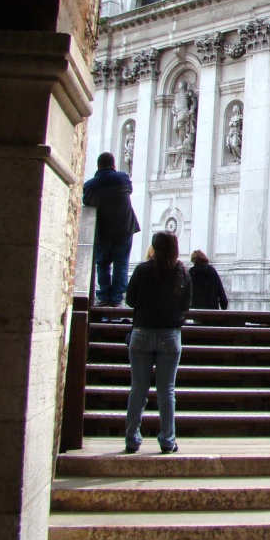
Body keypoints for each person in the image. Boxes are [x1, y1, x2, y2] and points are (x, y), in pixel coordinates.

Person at [124, 231, 192, 453]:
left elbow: (130, 300)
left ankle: (132, 438)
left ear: (154, 246)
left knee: (138, 390)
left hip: (142, 332)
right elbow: (185, 306)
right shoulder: (181, 272)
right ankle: (167, 439)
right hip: (170, 335)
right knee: (167, 391)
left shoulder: (142, 269)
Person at [82, 151, 140, 307]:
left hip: (103, 231)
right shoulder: (123, 178)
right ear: (113, 165)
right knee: (121, 263)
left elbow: (86, 202)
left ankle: (104, 295)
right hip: (124, 229)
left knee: (102, 264)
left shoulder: (89, 186)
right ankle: (117, 298)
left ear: (98, 166)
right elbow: (130, 190)